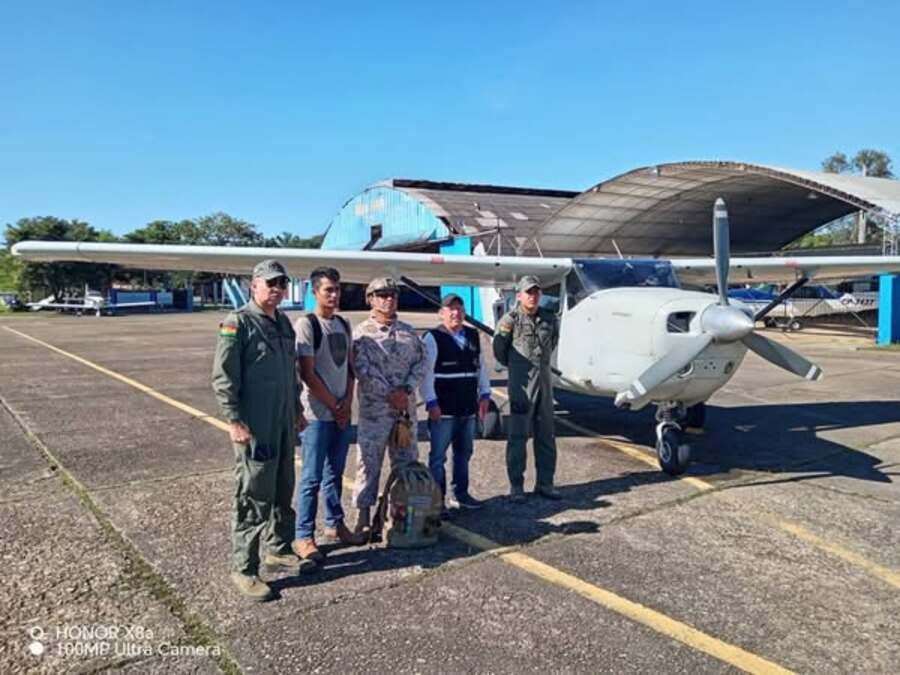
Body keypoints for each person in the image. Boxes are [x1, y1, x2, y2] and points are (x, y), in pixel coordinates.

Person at [212, 259, 310, 603]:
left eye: (281, 284)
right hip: (255, 426)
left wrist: (297, 410)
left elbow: (290, 374)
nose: (276, 289)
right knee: (254, 494)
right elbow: (223, 378)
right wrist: (234, 421)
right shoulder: (238, 323)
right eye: (270, 283)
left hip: (282, 422)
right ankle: (245, 568)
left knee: (283, 487)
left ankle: (279, 548)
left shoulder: (282, 323)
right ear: (253, 285)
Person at [293, 266, 364, 563]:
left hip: (340, 412)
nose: (334, 296)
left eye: (337, 290)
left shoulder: (343, 325)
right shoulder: (307, 324)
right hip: (318, 414)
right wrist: (334, 406)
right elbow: (307, 373)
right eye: (328, 290)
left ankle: (335, 524)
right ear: (315, 292)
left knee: (334, 474)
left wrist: (347, 402)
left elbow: (349, 367)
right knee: (311, 477)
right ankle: (303, 536)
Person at [350, 277, 427, 536]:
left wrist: (405, 391)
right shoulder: (360, 334)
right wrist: (390, 393)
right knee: (369, 464)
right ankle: (363, 517)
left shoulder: (408, 332)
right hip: (376, 412)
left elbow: (422, 363)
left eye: (392, 294)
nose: (388, 299)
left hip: (404, 413)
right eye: (381, 295)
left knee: (406, 463)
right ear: (370, 299)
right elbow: (362, 369)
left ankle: (402, 516)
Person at [492, 276, 561, 503]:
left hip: (544, 383)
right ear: (519, 295)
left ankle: (545, 483)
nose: (532, 296)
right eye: (528, 292)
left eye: (536, 292)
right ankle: (516, 486)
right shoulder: (510, 321)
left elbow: (553, 342)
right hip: (521, 384)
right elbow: (500, 350)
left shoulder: (548, 319)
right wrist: (517, 368)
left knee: (546, 436)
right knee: (518, 436)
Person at [420, 293, 490, 512]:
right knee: (438, 457)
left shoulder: (472, 335)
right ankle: (437, 502)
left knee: (464, 452)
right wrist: (431, 402)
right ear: (441, 313)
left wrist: (485, 393)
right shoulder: (432, 338)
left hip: (468, 407)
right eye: (450, 308)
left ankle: (460, 494)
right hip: (444, 409)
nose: (455, 312)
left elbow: (481, 366)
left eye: (459, 308)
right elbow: (425, 375)